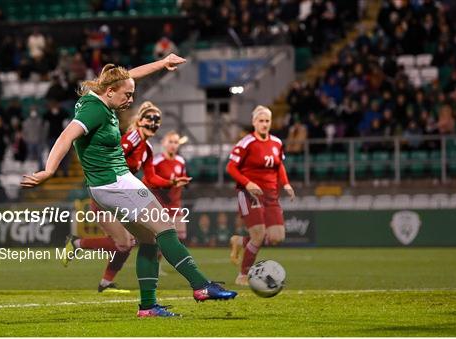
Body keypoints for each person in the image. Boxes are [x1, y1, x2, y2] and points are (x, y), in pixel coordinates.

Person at [21, 55, 237, 317]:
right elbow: (66, 135)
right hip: (115, 181)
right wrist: (49, 170)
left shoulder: (101, 98)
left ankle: (148, 307)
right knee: (165, 228)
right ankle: (201, 286)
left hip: (109, 184)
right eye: (127, 95)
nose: (131, 100)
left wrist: (161, 63)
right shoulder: (95, 110)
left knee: (148, 240)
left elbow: (128, 76)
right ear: (110, 91)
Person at [67, 102, 190, 293]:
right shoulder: (132, 138)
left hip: (121, 195)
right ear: (139, 121)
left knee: (127, 243)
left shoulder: (146, 148)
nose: (153, 124)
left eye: (157, 122)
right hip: (107, 193)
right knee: (124, 243)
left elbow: (151, 177)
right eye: (149, 120)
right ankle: (77, 244)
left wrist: (172, 183)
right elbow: (112, 159)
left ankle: (105, 281)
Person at [226, 105, 295, 286]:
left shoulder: (277, 143)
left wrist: (286, 183)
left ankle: (240, 241)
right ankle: (243, 275)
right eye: (261, 121)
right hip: (249, 193)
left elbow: (279, 165)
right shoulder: (246, 143)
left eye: (267, 121)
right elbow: (230, 167)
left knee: (277, 236)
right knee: (258, 234)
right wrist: (248, 183)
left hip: (271, 195)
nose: (264, 124)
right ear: (254, 122)